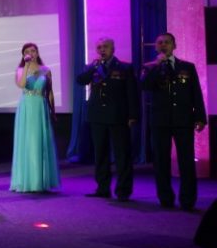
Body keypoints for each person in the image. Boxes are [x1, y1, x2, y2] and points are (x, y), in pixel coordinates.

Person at [140, 33, 206, 211]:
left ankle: (188, 200)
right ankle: (165, 198)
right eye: (160, 43)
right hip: (160, 122)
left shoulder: (187, 67)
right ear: (156, 47)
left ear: (174, 45)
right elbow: (145, 86)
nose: (163, 45)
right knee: (161, 161)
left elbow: (196, 93)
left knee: (186, 161)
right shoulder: (149, 67)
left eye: (167, 42)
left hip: (183, 120)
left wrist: (200, 117)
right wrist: (158, 65)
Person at [76, 37, 138, 200]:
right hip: (97, 116)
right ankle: (103, 188)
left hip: (118, 116)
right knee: (100, 154)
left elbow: (132, 93)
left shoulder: (124, 67)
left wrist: (133, 115)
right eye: (99, 47)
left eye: (105, 47)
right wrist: (93, 68)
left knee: (122, 155)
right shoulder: (93, 67)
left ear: (113, 49)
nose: (102, 49)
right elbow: (80, 80)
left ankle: (123, 190)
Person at [10, 43, 61, 193]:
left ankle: (41, 180)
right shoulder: (20, 70)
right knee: (28, 142)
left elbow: (50, 92)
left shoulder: (46, 70)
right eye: (27, 51)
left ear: (37, 53)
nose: (30, 53)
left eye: (33, 51)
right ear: (23, 55)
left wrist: (53, 111)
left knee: (40, 141)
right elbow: (22, 85)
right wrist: (26, 66)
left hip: (40, 107)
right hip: (27, 108)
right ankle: (28, 181)